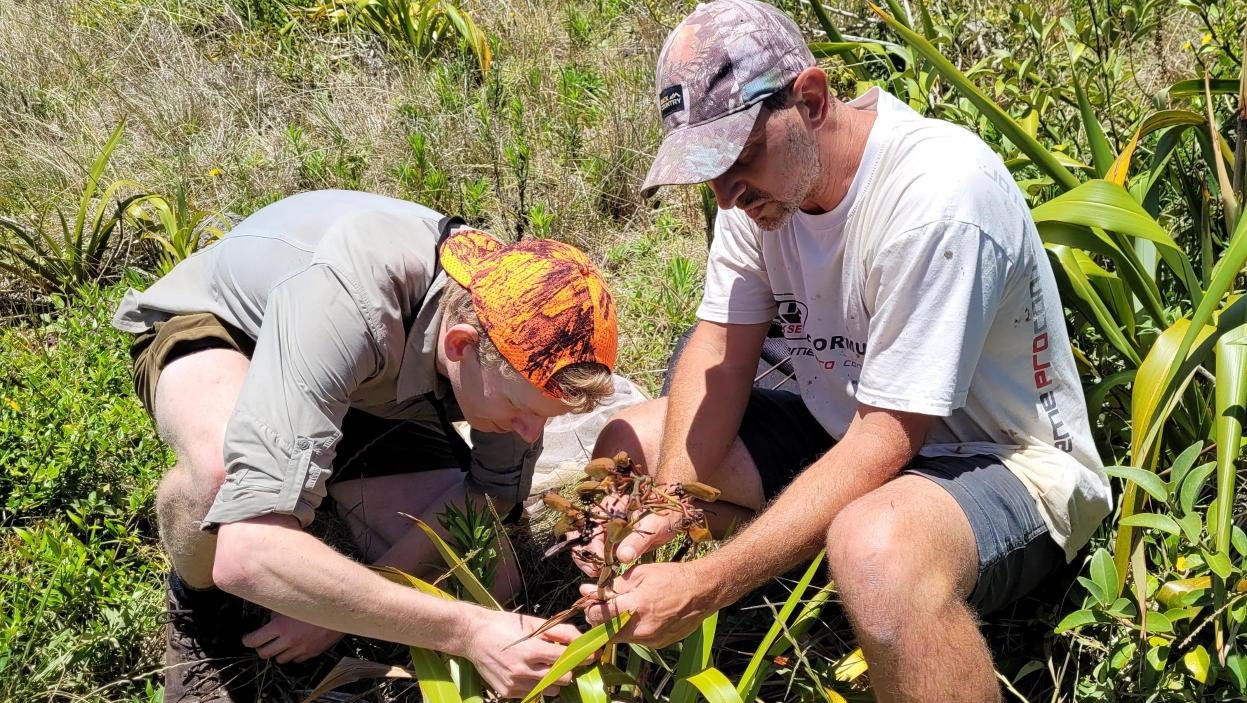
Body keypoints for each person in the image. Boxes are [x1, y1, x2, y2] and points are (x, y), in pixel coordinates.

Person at [576, 2, 1111, 701]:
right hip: (847, 427)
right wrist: (669, 502)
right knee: (636, 444)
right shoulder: (760, 197)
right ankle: (845, 585)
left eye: (738, 158)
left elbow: (888, 439)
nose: (725, 193)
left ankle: (880, 594)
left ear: (811, 99)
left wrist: (707, 583)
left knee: (873, 548)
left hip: (1001, 462)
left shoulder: (936, 196)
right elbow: (720, 353)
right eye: (707, 172)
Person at [112, 189, 618, 702]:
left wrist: (344, 601)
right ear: (459, 345)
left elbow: (491, 493)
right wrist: (469, 632)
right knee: (217, 475)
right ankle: (196, 607)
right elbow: (248, 553)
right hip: (230, 330)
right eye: (522, 410)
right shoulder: (346, 298)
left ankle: (318, 475)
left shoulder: (515, 319)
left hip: (371, 380)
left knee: (492, 575)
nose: (530, 434)